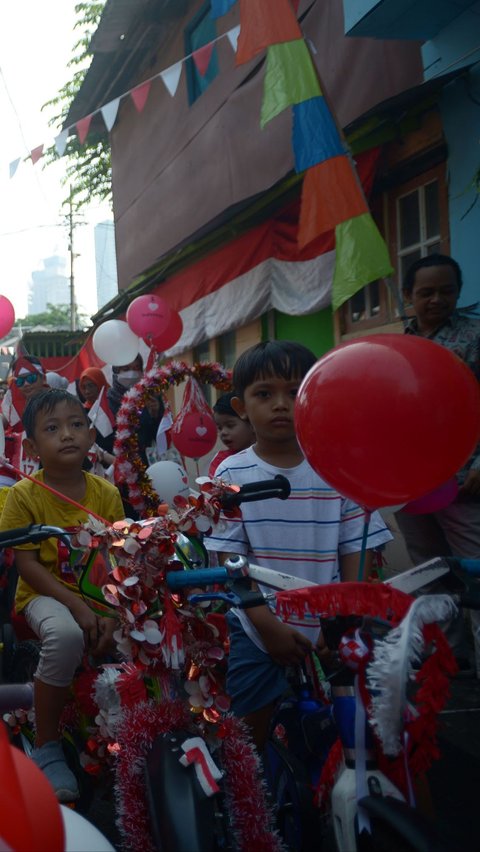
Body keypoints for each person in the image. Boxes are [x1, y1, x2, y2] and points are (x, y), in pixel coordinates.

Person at [205, 340, 392, 749]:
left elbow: (354, 552)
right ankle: (251, 808)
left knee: (358, 731)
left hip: (333, 624)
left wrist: (342, 619)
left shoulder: (337, 465)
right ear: (241, 407)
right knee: (248, 733)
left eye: (295, 391)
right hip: (259, 626)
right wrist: (267, 627)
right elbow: (229, 560)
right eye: (264, 394)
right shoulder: (230, 473)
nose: (280, 405)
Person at [0, 389, 125, 801]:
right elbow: (28, 566)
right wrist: (76, 606)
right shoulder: (23, 495)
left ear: (92, 436)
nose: (67, 435)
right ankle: (49, 747)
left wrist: (109, 610)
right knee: (67, 635)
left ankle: (135, 733)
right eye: (52, 429)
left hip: (98, 594)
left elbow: (117, 557)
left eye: (76, 425)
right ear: (32, 446)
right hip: (42, 595)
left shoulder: (106, 493)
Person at [396, 253, 480, 675]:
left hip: (464, 477)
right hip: (411, 480)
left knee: (473, 567)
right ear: (408, 296)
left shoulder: (474, 337)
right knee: (428, 569)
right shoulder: (399, 344)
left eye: (446, 291)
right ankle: (448, 654)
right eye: (425, 292)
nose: (436, 299)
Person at [0, 356, 48, 485]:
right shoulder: (13, 405)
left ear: (42, 378)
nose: (26, 384)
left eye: (31, 378)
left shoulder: (57, 401)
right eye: (20, 381)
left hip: (50, 464)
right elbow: (2, 422)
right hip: (17, 470)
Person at [208, 391, 255, 477]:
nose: (223, 433)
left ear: (251, 423)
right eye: (219, 428)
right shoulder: (220, 461)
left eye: (230, 425)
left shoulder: (271, 455)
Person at [78, 367, 116, 473]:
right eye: (83, 387)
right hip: (97, 465)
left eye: (91, 386)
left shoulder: (113, 404)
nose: (87, 391)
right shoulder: (81, 411)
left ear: (100, 383)